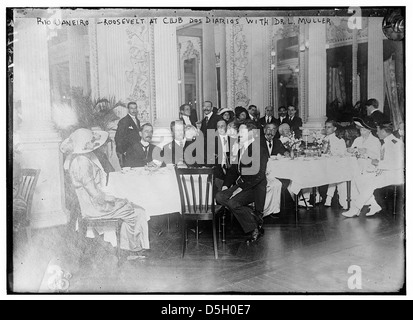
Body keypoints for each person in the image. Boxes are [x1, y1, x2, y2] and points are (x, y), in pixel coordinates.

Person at [60, 128, 150, 255]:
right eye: (91, 141)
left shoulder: (80, 159)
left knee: (133, 207)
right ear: (84, 144)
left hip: (94, 205)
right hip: (95, 208)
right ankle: (133, 250)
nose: (94, 143)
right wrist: (114, 199)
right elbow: (95, 195)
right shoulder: (82, 162)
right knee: (137, 211)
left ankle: (127, 248)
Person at [216, 120, 268, 243]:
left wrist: (240, 189)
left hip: (255, 187)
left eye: (242, 131)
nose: (239, 133)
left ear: (252, 133)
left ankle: (254, 228)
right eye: (239, 131)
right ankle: (254, 217)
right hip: (243, 184)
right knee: (219, 196)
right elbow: (233, 170)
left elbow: (258, 175)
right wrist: (226, 186)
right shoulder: (241, 148)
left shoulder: (259, 149)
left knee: (233, 203)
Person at [342, 122, 404, 218]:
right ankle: (372, 206)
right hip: (385, 172)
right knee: (364, 181)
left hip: (394, 175)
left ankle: (355, 209)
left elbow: (396, 163)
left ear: (383, 131)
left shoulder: (394, 143)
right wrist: (371, 159)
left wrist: (378, 164)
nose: (377, 133)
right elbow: (383, 160)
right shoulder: (387, 142)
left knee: (369, 184)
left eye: (378, 131)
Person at [262, 123, 289, 217]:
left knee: (282, 182)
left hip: (273, 171)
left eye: (273, 129)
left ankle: (274, 210)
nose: (271, 131)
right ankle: (266, 210)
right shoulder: (258, 141)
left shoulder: (277, 142)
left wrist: (286, 152)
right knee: (275, 184)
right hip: (261, 171)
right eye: (268, 129)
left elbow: (284, 150)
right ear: (264, 130)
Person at [323, 119, 348, 209]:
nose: (326, 129)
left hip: (337, 165)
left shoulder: (339, 140)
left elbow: (342, 154)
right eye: (325, 127)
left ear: (335, 128)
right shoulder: (325, 139)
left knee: (334, 174)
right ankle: (319, 196)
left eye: (329, 127)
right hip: (326, 164)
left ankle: (329, 198)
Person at [114, 101, 141, 167]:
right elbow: (118, 138)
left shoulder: (137, 121)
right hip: (127, 152)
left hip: (136, 151)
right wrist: (123, 152)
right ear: (128, 109)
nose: (134, 110)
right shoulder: (123, 121)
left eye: (135, 108)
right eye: (131, 108)